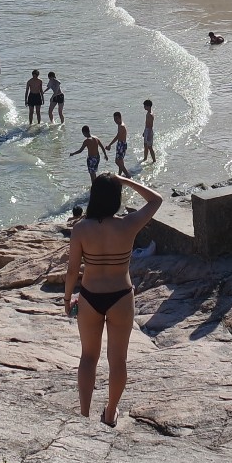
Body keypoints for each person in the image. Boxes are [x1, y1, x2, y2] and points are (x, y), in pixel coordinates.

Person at [64, 173, 164, 426]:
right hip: (121, 296)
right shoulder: (128, 224)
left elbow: (72, 270)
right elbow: (156, 200)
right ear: (117, 197)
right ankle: (110, 413)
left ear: (93, 196)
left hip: (90, 297)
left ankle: (84, 415)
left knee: (88, 357)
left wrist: (67, 299)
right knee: (118, 360)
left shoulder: (81, 229)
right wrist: (125, 180)